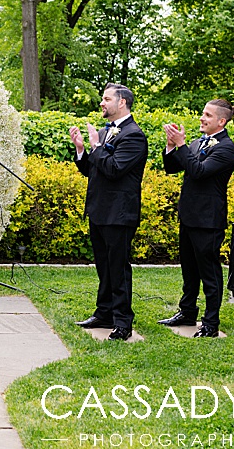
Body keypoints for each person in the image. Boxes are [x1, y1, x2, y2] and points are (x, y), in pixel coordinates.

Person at [69, 83, 148, 341]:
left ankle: (123, 321)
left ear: (122, 103)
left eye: (106, 99)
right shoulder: (104, 132)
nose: (102, 103)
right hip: (99, 210)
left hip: (120, 213)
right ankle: (104, 312)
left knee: (118, 268)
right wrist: (82, 149)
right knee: (103, 265)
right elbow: (94, 170)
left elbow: (114, 169)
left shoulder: (134, 135)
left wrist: (96, 147)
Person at [157, 99, 234, 338]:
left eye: (207, 115)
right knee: (189, 269)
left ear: (221, 121)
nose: (202, 118)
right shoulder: (197, 142)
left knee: (209, 272)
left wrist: (182, 145)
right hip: (189, 216)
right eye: (203, 113)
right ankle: (187, 312)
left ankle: (211, 323)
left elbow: (199, 171)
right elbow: (173, 168)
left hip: (208, 219)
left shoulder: (226, 148)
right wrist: (172, 145)